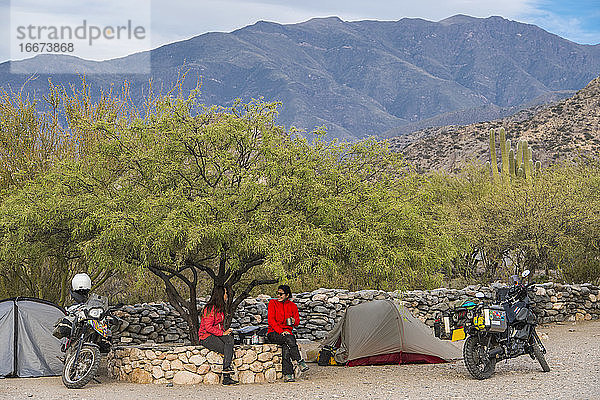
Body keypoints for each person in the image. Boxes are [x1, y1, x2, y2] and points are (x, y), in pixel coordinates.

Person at [267, 285, 309, 382]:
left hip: (287, 334)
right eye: (277, 293)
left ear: (287, 295)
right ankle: (299, 360)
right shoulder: (272, 303)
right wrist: (281, 331)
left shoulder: (292, 306)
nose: (278, 296)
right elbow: (271, 321)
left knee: (286, 346)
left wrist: (294, 321)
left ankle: (288, 374)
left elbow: (297, 322)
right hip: (274, 332)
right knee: (288, 338)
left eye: (281, 294)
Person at [198, 286, 238, 385]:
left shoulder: (219, 308)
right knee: (227, 348)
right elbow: (208, 327)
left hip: (215, 334)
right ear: (220, 295)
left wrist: (225, 332)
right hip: (205, 337)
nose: (227, 296)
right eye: (225, 293)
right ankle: (226, 375)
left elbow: (218, 326)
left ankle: (226, 372)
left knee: (230, 340)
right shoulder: (210, 308)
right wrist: (222, 333)